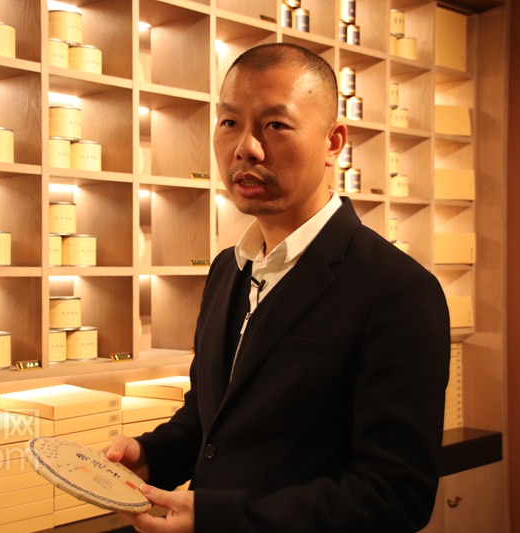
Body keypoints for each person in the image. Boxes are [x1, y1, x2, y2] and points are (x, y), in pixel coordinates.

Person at [107, 42, 450, 533]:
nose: (246, 147)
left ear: (333, 142)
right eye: (229, 122)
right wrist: (152, 455)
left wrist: (223, 519)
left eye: (275, 125)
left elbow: (395, 495)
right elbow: (212, 417)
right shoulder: (227, 269)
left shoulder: (398, 291)